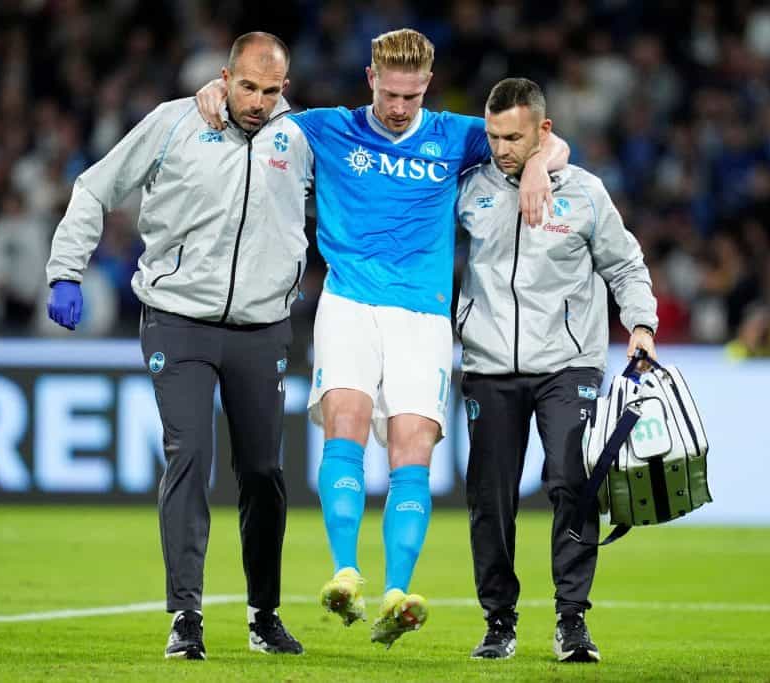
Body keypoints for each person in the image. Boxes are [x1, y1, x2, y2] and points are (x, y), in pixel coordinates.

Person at [195, 29, 569, 648]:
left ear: (428, 86)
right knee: (344, 427)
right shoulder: (327, 127)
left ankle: (397, 592)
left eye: (412, 95)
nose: (400, 107)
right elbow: (251, 107)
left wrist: (535, 165)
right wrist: (212, 89)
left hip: (423, 316)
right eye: (391, 93)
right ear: (371, 77)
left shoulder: (456, 135)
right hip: (347, 304)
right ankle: (346, 574)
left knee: (410, 450)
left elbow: (552, 141)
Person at [45, 32, 310, 659]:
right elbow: (95, 186)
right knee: (189, 455)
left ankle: (263, 615)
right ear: (225, 76)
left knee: (265, 474)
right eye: (246, 86)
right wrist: (65, 268)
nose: (256, 101)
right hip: (177, 320)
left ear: (285, 90)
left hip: (262, 328)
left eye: (270, 91)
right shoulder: (174, 122)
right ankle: (186, 615)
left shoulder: (302, 138)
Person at [454, 78, 658, 663]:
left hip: (569, 365)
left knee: (573, 483)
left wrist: (640, 325)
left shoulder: (587, 194)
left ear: (544, 131)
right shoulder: (468, 190)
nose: (501, 149)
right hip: (490, 365)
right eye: (493, 137)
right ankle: (499, 620)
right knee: (489, 498)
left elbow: (625, 264)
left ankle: (572, 620)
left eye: (514, 137)